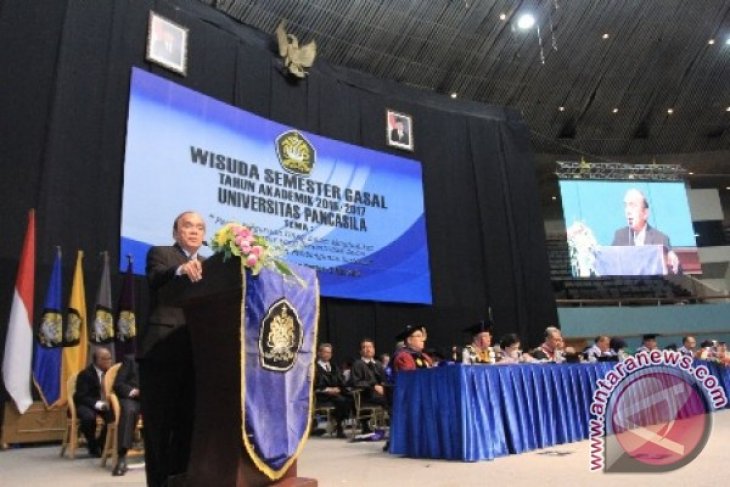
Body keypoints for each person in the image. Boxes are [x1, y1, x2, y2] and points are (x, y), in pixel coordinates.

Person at [139, 211, 206, 487]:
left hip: (196, 353)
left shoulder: (209, 265)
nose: (194, 231)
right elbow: (156, 278)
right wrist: (180, 269)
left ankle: (180, 480)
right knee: (159, 425)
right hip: (162, 353)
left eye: (200, 227)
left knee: (187, 425)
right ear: (176, 232)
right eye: (187, 226)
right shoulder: (162, 254)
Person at [611, 188, 680, 273]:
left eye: (632, 205)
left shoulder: (661, 239)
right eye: (626, 205)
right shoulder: (620, 236)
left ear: (645, 213)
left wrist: (670, 256)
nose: (628, 211)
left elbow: (674, 268)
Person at [74, 347, 113, 457]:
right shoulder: (85, 374)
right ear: (98, 360)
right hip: (86, 403)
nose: (109, 361)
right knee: (88, 417)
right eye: (106, 359)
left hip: (105, 404)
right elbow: (81, 396)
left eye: (110, 358)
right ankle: (92, 444)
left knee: (114, 416)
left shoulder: (112, 373)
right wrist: (98, 404)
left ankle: (100, 443)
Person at [314, 343, 352, 438]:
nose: (327, 354)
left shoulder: (334, 366)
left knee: (349, 398)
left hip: (336, 394)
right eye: (325, 352)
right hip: (322, 395)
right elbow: (313, 385)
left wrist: (338, 388)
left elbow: (341, 380)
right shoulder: (314, 368)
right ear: (319, 353)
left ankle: (339, 422)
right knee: (341, 401)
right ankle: (339, 427)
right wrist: (327, 390)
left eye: (329, 352)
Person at [112, 355, 141, 476]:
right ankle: (122, 457)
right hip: (133, 398)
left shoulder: (160, 360)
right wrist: (134, 392)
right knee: (129, 411)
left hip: (153, 399)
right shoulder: (130, 360)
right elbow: (118, 384)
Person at [349, 338, 388, 431]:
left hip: (380, 394)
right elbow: (356, 382)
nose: (368, 349)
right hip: (366, 395)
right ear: (360, 351)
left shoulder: (378, 364)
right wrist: (373, 386)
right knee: (390, 400)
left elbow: (384, 380)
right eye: (364, 347)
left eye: (370, 347)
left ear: (374, 349)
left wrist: (384, 386)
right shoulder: (357, 364)